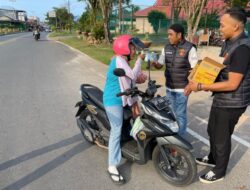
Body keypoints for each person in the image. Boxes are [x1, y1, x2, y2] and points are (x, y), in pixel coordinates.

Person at [185, 7, 250, 184]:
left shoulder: (243, 48)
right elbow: (219, 69)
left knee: (221, 137)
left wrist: (201, 85)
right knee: (211, 129)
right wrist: (199, 73)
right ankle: (213, 157)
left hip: (233, 101)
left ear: (236, 27)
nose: (220, 28)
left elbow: (232, 83)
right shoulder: (228, 42)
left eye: (222, 25)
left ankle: (219, 171)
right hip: (222, 97)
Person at [103, 34, 146, 185]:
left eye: (134, 48)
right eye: (132, 48)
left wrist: (141, 76)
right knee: (117, 129)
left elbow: (132, 78)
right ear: (125, 48)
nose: (134, 50)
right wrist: (140, 59)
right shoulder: (119, 60)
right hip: (113, 99)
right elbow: (133, 74)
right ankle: (112, 165)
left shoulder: (122, 61)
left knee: (137, 115)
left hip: (123, 97)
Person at [151, 23, 198, 136]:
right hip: (169, 88)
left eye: (171, 34)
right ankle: (172, 138)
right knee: (171, 114)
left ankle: (180, 142)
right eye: (168, 34)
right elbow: (160, 65)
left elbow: (195, 69)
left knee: (180, 114)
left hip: (182, 89)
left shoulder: (190, 48)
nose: (169, 37)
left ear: (179, 35)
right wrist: (154, 63)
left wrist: (190, 85)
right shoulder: (166, 47)